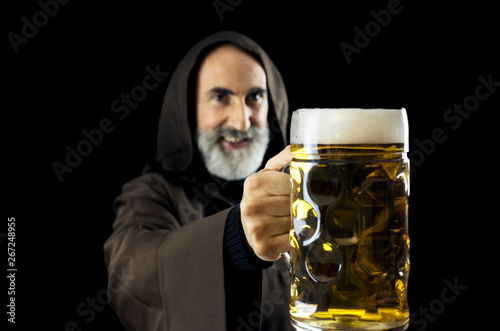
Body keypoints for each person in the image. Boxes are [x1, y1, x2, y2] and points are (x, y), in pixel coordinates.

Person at [104, 31, 295, 330]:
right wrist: (236, 238)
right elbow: (130, 273)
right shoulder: (152, 192)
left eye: (254, 97)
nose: (241, 121)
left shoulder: (300, 187)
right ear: (189, 108)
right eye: (220, 97)